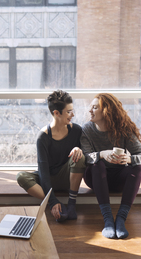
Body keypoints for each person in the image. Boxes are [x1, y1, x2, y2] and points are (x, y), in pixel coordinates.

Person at [81, 93, 141, 239]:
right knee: (96, 164)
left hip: (118, 179)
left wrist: (129, 159)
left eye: (94, 107)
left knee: (136, 167)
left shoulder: (123, 130)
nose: (90, 110)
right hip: (95, 177)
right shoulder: (86, 130)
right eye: (90, 107)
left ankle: (121, 218)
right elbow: (85, 158)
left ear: (106, 111)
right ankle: (107, 220)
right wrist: (102, 154)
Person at [17, 90, 85, 222]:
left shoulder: (77, 130)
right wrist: (52, 201)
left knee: (80, 156)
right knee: (21, 177)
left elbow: (84, 160)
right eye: (68, 111)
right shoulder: (43, 137)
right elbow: (43, 171)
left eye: (72, 110)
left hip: (67, 177)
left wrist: (79, 149)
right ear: (56, 113)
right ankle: (54, 202)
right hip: (47, 180)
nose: (73, 114)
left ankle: (71, 205)